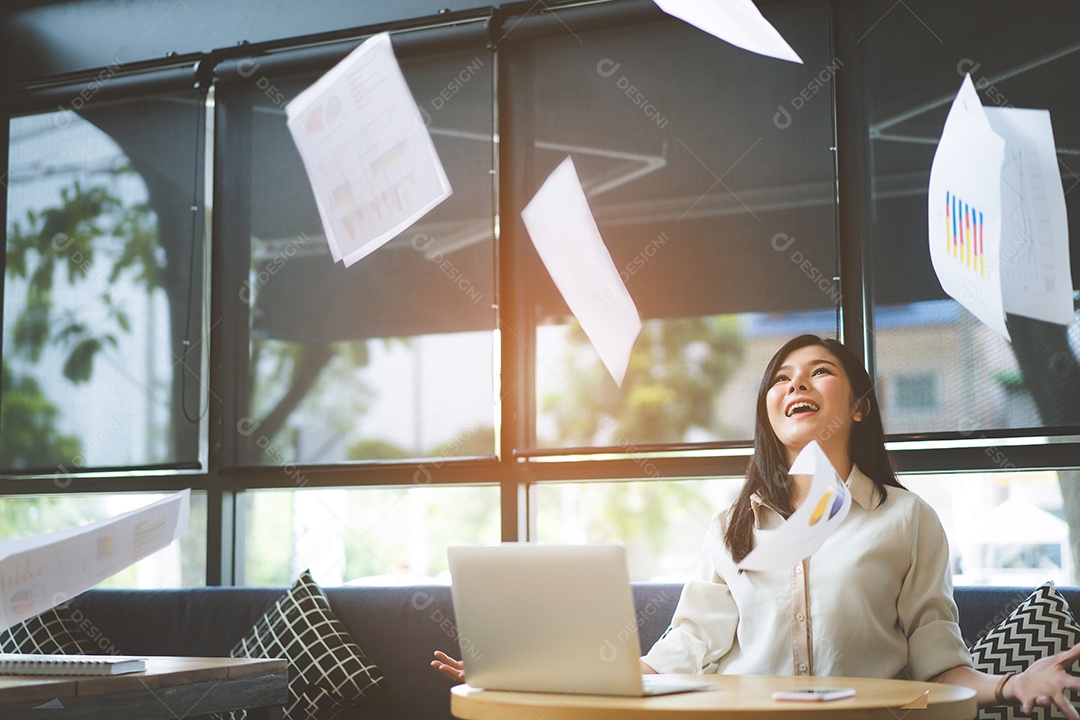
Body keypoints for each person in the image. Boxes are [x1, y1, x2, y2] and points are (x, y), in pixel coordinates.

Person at [433, 334, 1080, 718]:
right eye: (780, 378)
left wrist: (1010, 685)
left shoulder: (906, 519)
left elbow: (940, 666)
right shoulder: (732, 528)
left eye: (819, 371)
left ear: (858, 406)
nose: (795, 383)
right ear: (769, 410)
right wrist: (530, 671)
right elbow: (684, 650)